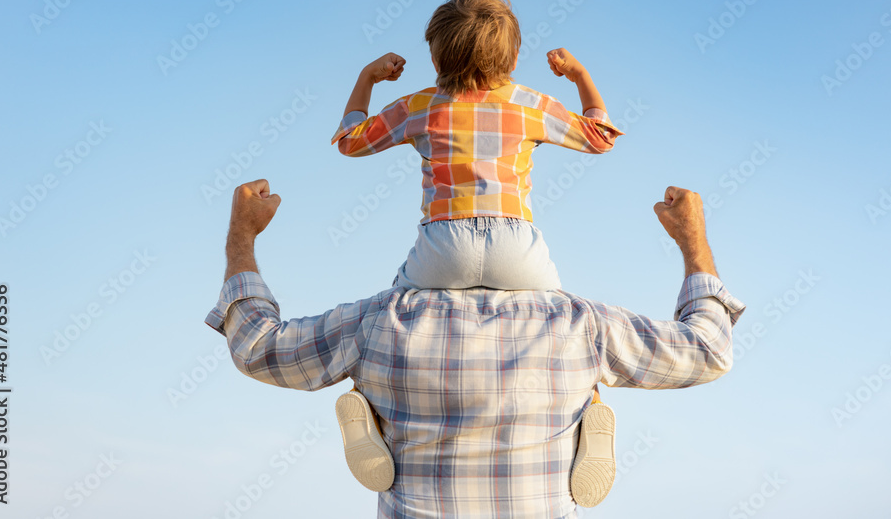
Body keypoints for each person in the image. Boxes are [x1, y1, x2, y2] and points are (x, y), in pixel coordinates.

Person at [205, 179, 745, 518]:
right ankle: (587, 419)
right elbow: (707, 350)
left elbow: (258, 348)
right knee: (582, 395)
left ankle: (372, 416)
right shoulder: (581, 324)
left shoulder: (379, 321)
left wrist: (242, 238)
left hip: (400, 356)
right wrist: (692, 243)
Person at [329, 0, 624, 504]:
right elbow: (601, 137)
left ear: (437, 54)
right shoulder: (530, 103)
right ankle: (588, 412)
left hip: (443, 245)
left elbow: (350, 140)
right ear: (511, 56)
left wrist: (367, 78)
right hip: (517, 244)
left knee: (389, 315)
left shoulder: (419, 106)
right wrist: (578, 76)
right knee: (567, 323)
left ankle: (370, 409)